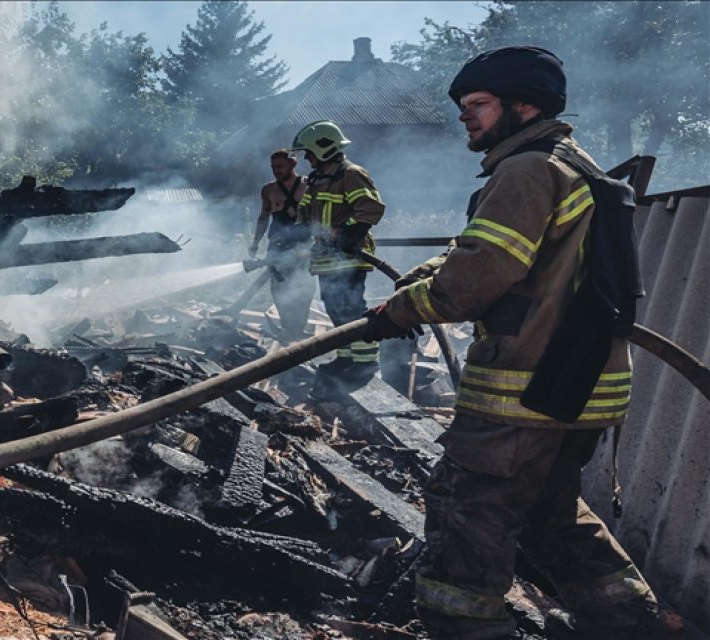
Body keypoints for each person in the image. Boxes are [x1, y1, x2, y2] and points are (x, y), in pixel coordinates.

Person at [362, 46, 671, 639]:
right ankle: (634, 623)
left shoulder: (526, 170)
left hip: (521, 392)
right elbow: (501, 256)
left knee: (467, 513)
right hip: (576, 388)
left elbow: (478, 279)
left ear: (523, 105)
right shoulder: (573, 163)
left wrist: (401, 310)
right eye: (462, 106)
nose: (464, 117)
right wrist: (429, 275)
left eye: (476, 104)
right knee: (550, 515)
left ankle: (466, 630)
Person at [292, 120, 385, 397]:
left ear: (323, 148)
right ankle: (347, 356)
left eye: (308, 153)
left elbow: (370, 210)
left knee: (351, 307)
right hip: (325, 257)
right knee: (334, 307)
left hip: (349, 256)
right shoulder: (318, 179)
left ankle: (366, 361)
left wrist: (346, 235)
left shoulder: (351, 174)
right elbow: (306, 213)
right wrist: (291, 235)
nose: (306, 158)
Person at [248, 149, 314, 344]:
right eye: (273, 167)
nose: (276, 171)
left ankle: (298, 328)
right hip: (276, 247)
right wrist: (255, 243)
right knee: (278, 289)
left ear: (293, 164)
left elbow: (319, 215)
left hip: (303, 246)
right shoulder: (268, 190)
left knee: (304, 288)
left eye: (280, 166)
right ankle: (288, 327)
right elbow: (263, 217)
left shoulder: (308, 186)